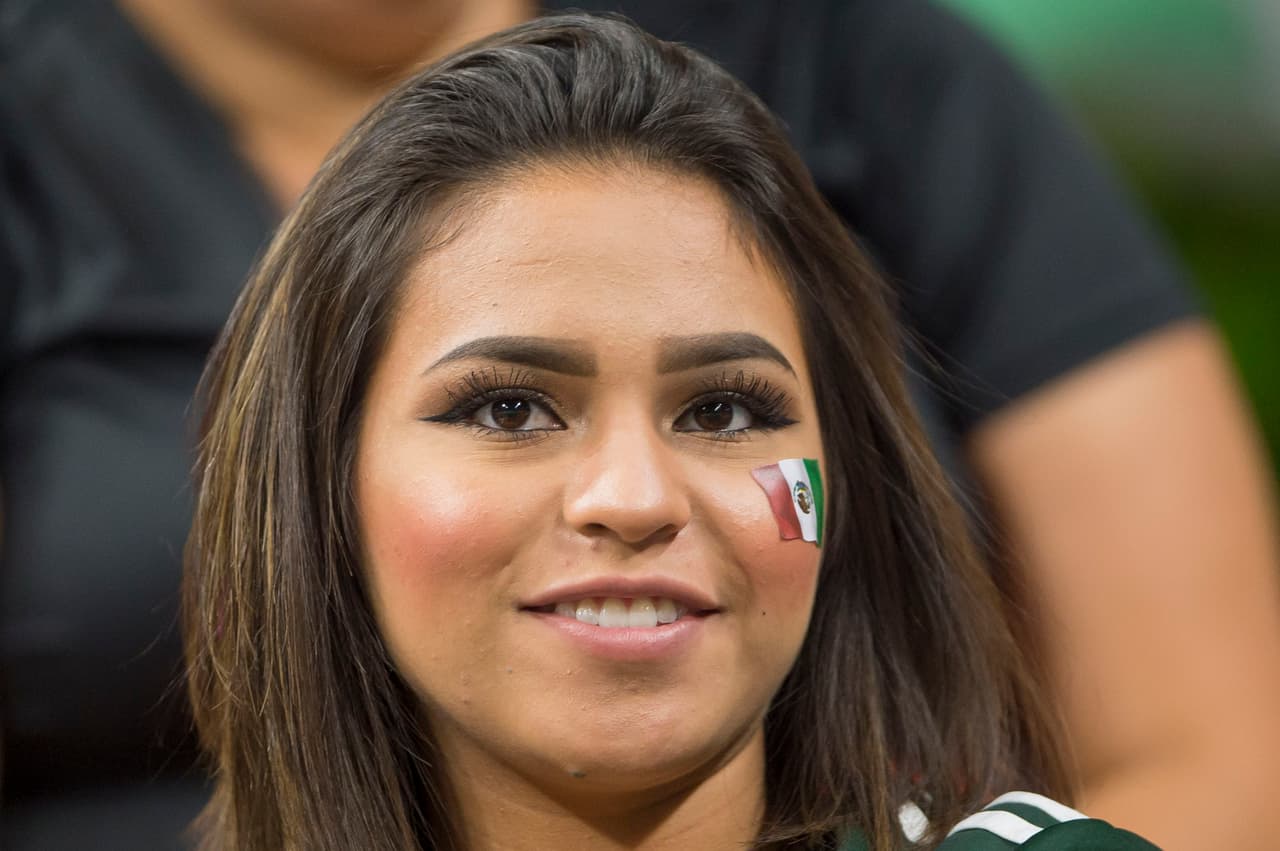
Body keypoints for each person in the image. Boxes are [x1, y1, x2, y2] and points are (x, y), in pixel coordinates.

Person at [3, 1, 1279, 849]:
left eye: (726, 408)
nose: (632, 491)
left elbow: (1223, 740)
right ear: (309, 505)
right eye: (506, 408)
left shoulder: (853, 58)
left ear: (856, 480)